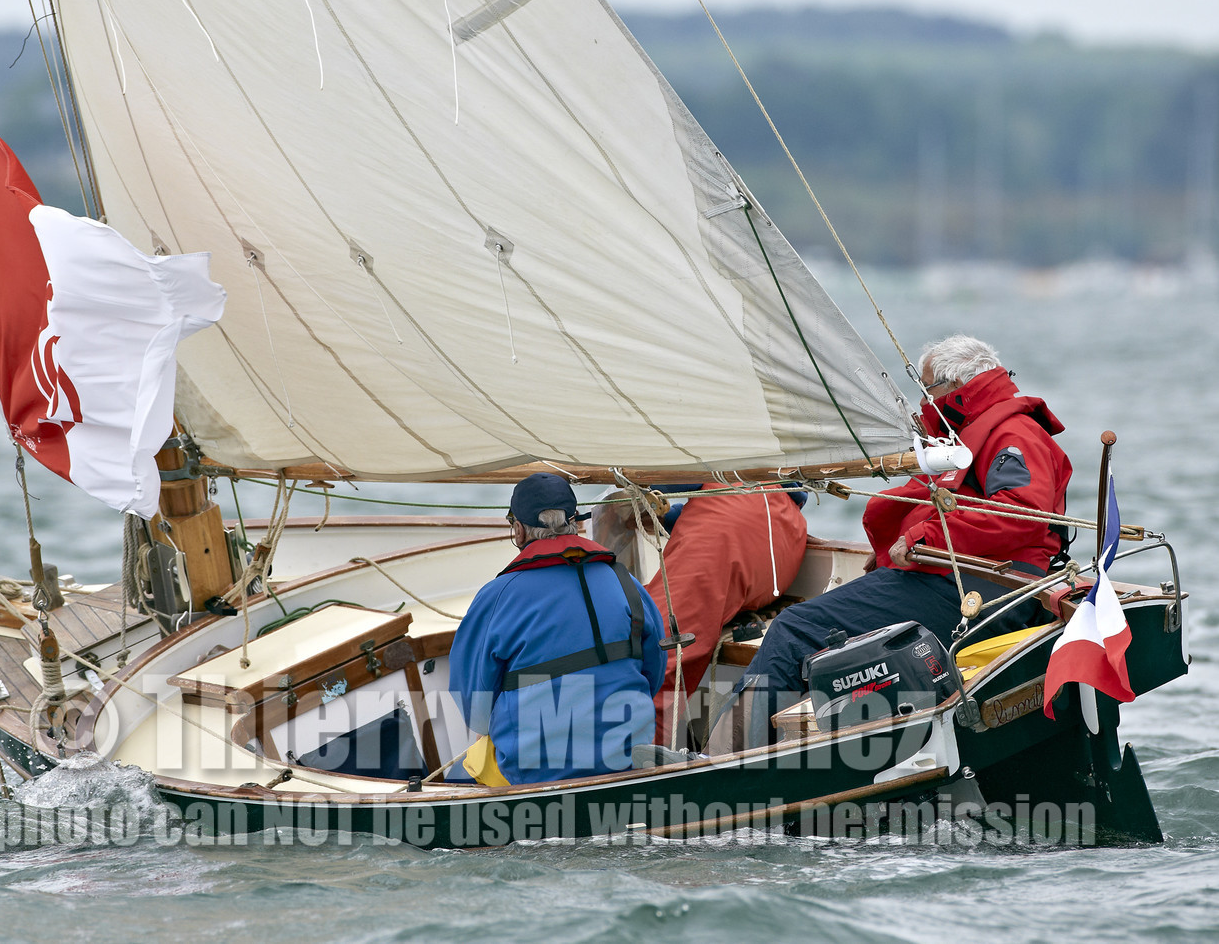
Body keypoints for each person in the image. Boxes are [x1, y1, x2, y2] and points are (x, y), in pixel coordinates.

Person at [718, 335, 1073, 751]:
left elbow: (1019, 513)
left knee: (794, 629)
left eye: (927, 391)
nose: (923, 403)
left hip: (983, 586)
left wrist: (926, 536)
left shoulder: (1013, 432)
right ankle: (782, 751)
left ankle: (725, 758)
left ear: (953, 387)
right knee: (812, 632)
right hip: (960, 578)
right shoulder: (981, 430)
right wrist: (900, 545)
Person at [450, 472, 666, 784]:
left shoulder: (496, 597)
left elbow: (476, 713)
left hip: (534, 775)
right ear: (576, 522)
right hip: (628, 763)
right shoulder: (624, 582)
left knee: (458, 776)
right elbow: (653, 674)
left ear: (519, 530)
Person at [644, 483, 809, 745]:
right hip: (786, 530)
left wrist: (633, 484)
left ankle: (635, 766)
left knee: (654, 658)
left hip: (728, 524)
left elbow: (670, 475)